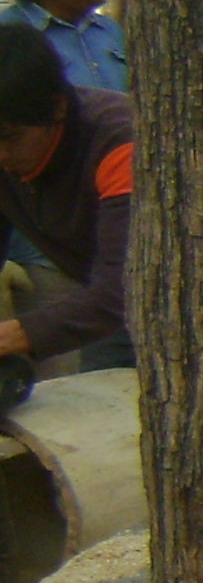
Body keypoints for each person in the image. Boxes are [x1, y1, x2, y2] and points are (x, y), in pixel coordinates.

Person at [0, 25, 132, 372]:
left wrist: (14, 337)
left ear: (57, 107)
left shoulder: (119, 144)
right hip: (108, 306)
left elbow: (120, 291)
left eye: (10, 138)